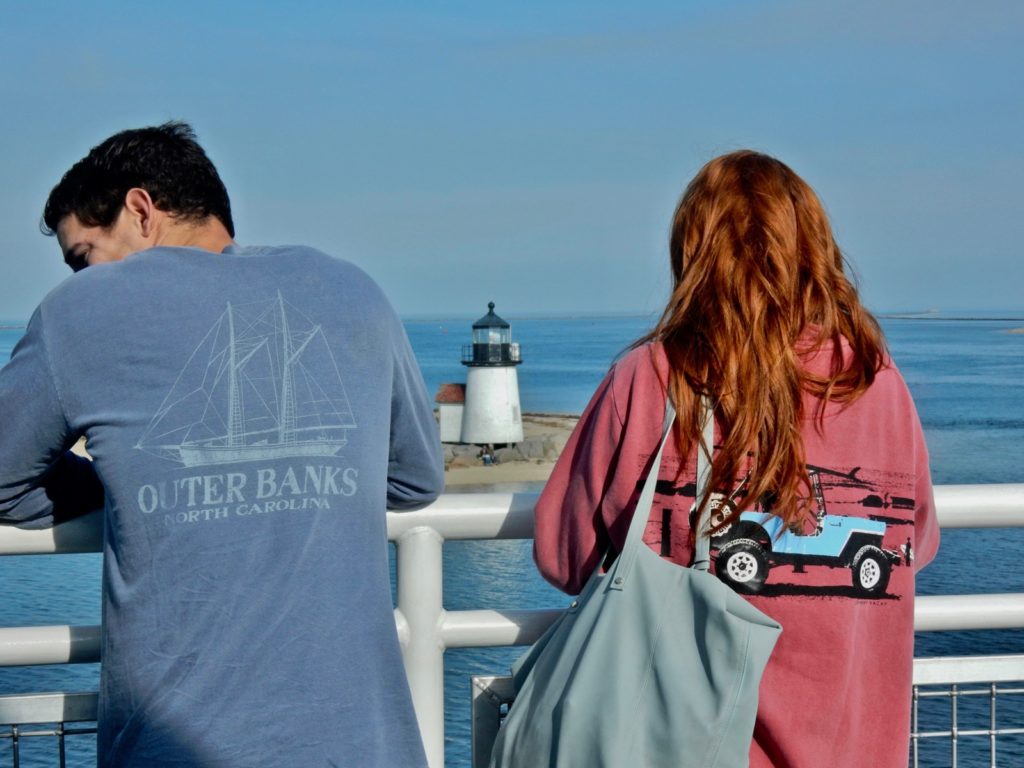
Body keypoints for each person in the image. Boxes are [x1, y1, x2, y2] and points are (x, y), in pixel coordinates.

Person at [0, 122, 444, 767]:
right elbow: (415, 479)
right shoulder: (351, 289)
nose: (80, 274)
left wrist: (129, 487)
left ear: (140, 210)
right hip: (364, 747)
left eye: (82, 255)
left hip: (175, 748)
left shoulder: (82, 310)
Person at [533, 150, 939, 767]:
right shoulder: (876, 383)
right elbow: (916, 545)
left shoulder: (653, 379)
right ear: (815, 250)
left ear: (692, 256)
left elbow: (563, 557)